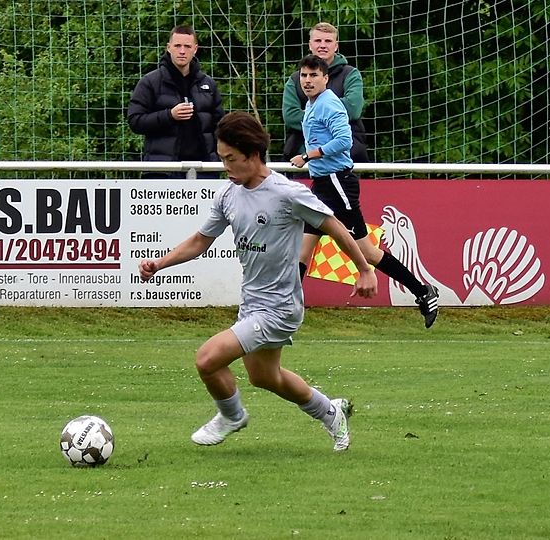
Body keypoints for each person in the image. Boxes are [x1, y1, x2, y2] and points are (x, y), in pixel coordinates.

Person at [138, 111, 377, 452]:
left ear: (252, 155)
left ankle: (232, 416)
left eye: (230, 158)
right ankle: (330, 411)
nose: (225, 166)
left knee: (207, 359)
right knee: (265, 377)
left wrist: (364, 269)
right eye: (222, 158)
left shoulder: (286, 193)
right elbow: (201, 240)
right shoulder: (228, 195)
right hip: (252, 303)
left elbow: (334, 226)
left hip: (280, 307)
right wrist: (160, 264)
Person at [290, 54, 440, 328]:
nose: (308, 81)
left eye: (314, 76)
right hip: (322, 184)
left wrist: (309, 156)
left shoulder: (329, 104)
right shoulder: (312, 104)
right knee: (302, 249)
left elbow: (344, 141)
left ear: (325, 78)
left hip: (337, 184)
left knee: (368, 253)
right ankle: (286, 309)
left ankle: (422, 292)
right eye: (304, 76)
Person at [127, 25, 224, 178]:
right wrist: (169, 115)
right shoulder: (150, 82)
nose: (182, 51)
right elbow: (135, 121)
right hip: (163, 171)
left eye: (187, 46)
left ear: (195, 49)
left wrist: (219, 159)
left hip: (205, 170)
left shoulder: (208, 84)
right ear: (169, 48)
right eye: (177, 45)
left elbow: (220, 127)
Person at [282, 22, 369, 163]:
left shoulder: (350, 74)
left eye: (328, 41)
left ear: (336, 46)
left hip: (347, 156)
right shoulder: (295, 79)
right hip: (302, 155)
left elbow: (353, 109)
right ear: (310, 45)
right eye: (318, 41)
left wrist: (312, 115)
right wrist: (333, 113)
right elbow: (291, 115)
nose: (322, 45)